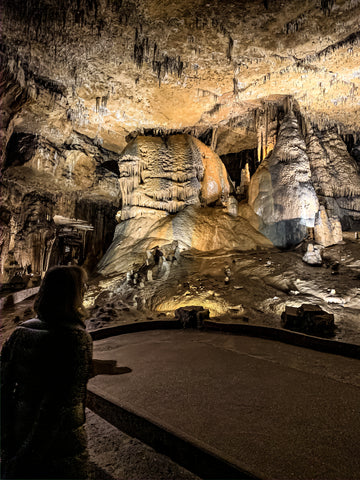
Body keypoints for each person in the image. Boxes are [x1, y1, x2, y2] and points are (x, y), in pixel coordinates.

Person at [1, 265, 130, 479]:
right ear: (72, 294)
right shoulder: (75, 339)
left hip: (18, 430)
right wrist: (28, 457)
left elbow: (7, 386)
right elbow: (55, 407)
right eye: (82, 287)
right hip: (58, 450)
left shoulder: (20, 332)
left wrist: (7, 439)